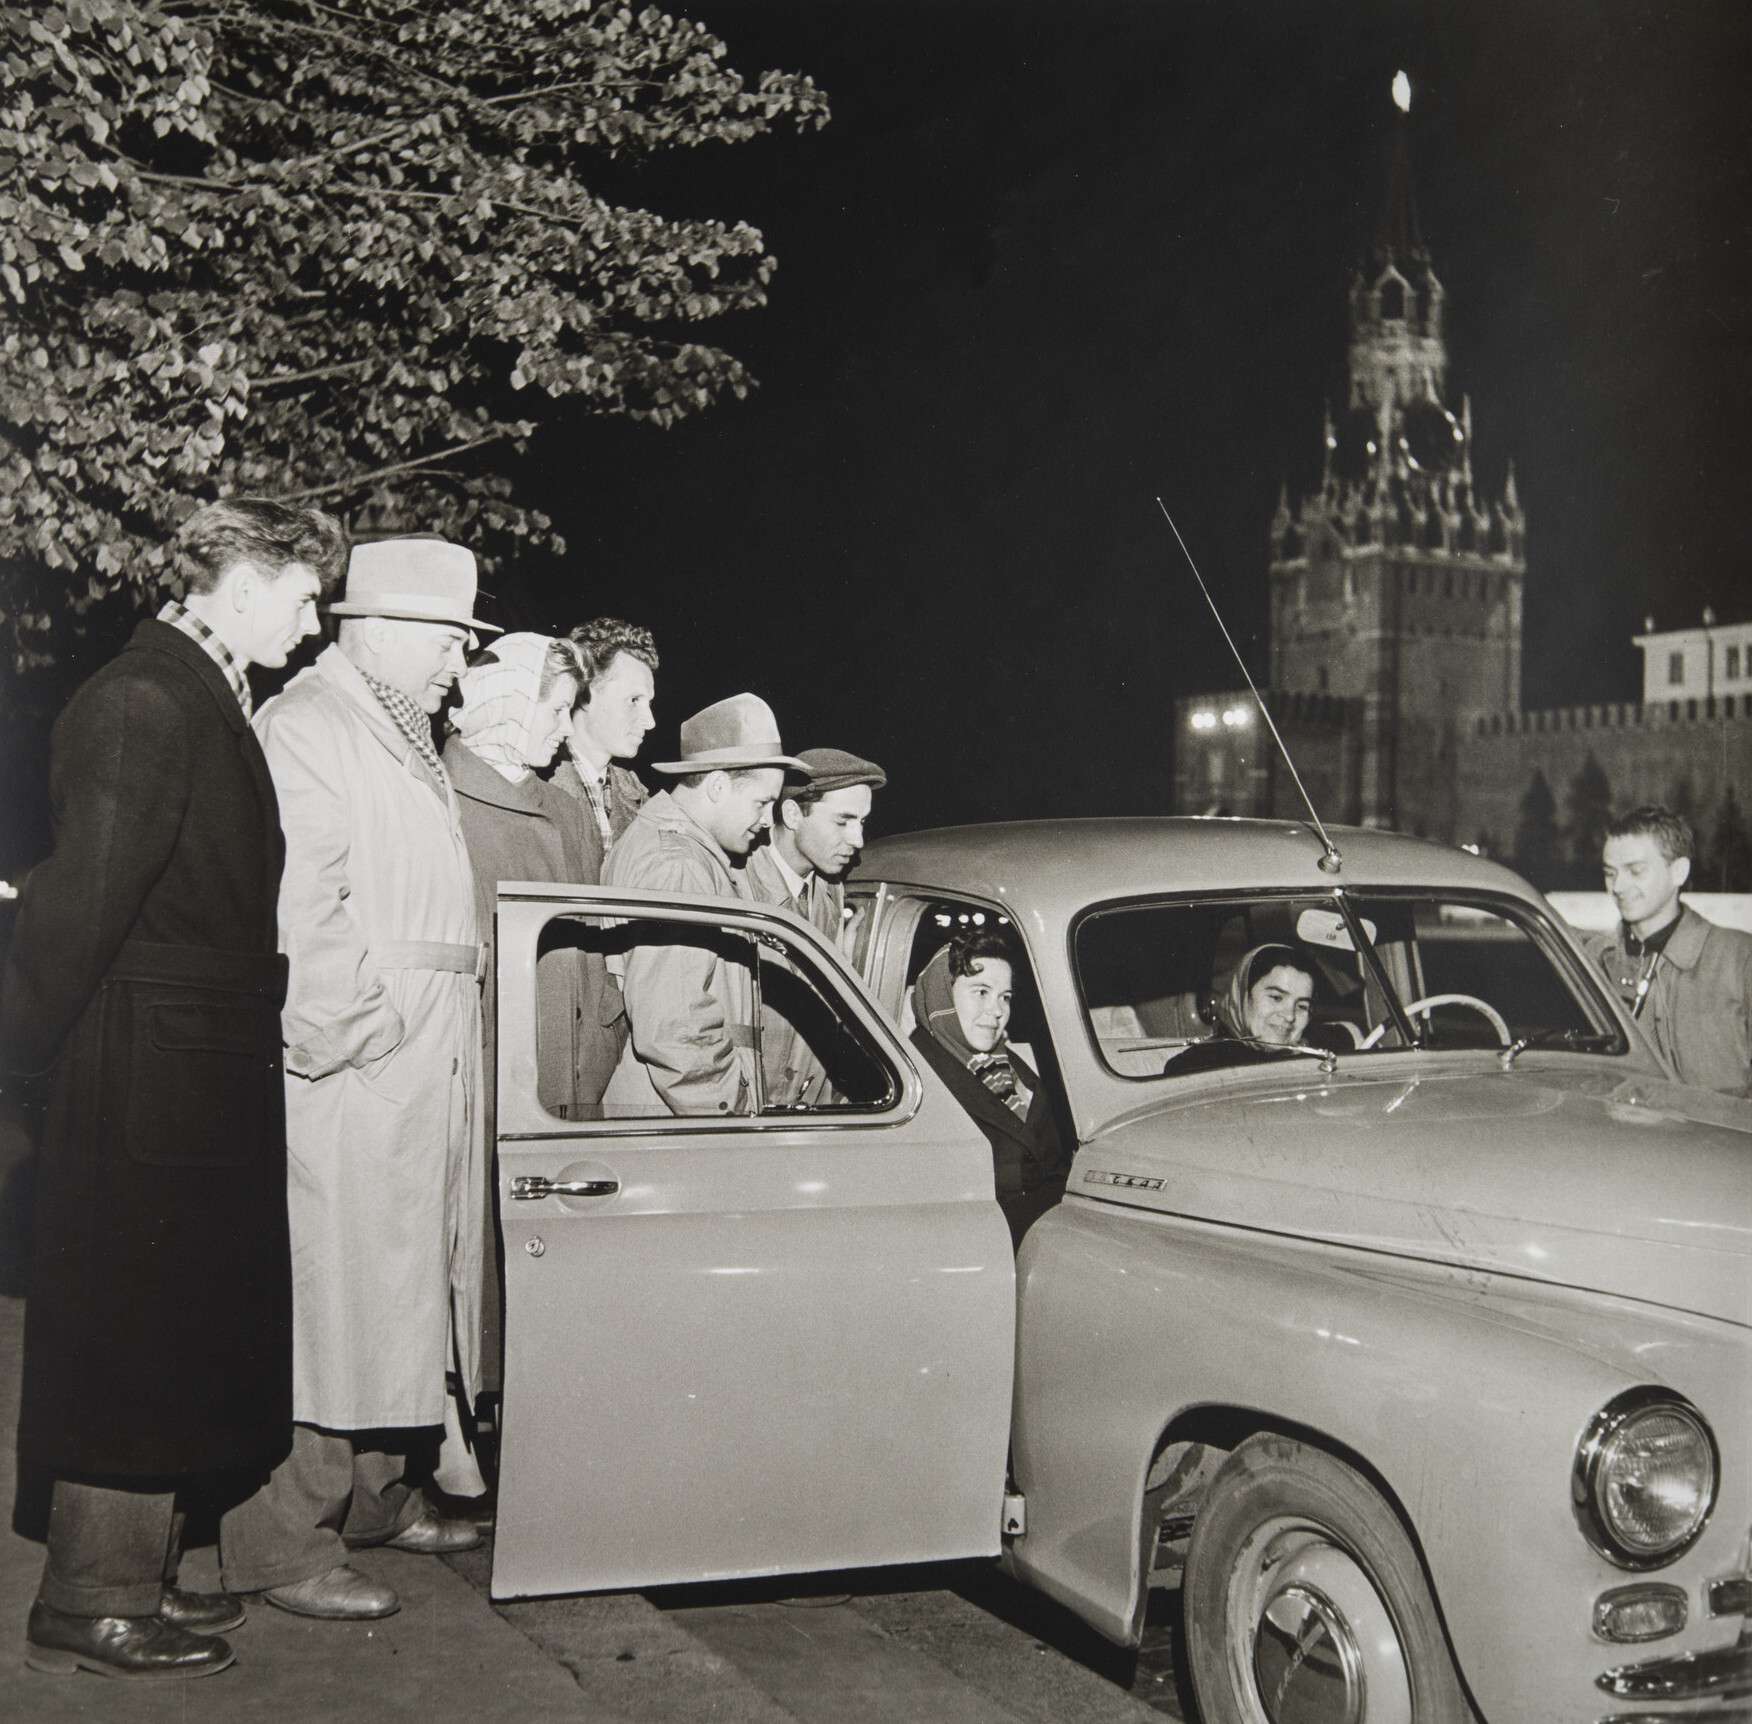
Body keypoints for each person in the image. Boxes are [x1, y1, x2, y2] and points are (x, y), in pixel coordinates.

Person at [2, 498, 344, 1681]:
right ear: (241, 584)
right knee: (134, 1328)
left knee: (170, 1324)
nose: (311, 624)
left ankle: (133, 1574)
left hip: (185, 1065)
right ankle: (89, 1596)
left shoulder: (190, 694)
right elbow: (78, 906)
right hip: (147, 1069)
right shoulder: (145, 700)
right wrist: (21, 1056)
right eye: (302, 597)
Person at [222, 537, 497, 1623]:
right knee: (333, 1292)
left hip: (420, 1050)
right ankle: (281, 1540)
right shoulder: (309, 726)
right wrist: (364, 1031)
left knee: (405, 1281)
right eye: (447, 642)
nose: (458, 666)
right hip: (359, 1059)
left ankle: (377, 1497)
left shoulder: (393, 728)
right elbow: (297, 907)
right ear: (377, 631)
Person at [443, 633, 585, 1472]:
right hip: (488, 1062)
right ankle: (454, 1426)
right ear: (506, 702)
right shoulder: (449, 796)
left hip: (548, 1065)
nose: (565, 730)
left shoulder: (553, 805)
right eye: (556, 709)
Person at [601, 694, 804, 1117]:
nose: (767, 822)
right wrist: (732, 1116)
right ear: (717, 786)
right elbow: (676, 1027)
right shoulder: (677, 865)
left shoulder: (689, 854)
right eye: (761, 802)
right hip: (680, 1122)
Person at [546, 618, 658, 1104]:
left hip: (613, 1028)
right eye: (634, 700)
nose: (649, 720)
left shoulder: (636, 798)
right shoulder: (538, 788)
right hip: (557, 1032)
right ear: (585, 694)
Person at [909, 930, 1069, 1248]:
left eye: (1004, 997)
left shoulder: (1014, 1067)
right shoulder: (914, 1079)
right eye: (981, 992)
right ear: (943, 995)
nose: (997, 1011)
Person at [745, 748, 887, 1105]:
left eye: (862, 822)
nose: (858, 840)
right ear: (793, 814)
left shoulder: (830, 893)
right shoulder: (738, 888)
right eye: (843, 821)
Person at [1585, 805, 1752, 1096]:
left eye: (1635, 871)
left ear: (1678, 872)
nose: (1618, 886)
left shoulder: (1739, 959)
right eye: (1610, 873)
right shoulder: (1594, 960)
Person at [1163, 943, 1317, 1075]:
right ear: (1243, 996)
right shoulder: (1193, 1067)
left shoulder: (1318, 1062)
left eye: (1302, 1006)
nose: (1290, 1016)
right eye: (1276, 998)